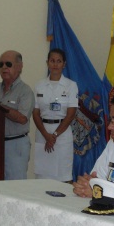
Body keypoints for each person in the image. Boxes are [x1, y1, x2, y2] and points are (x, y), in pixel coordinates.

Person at [0, 50, 34, 180]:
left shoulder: (25, 91)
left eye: (8, 64)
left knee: (14, 187)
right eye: (0, 64)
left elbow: (22, 118)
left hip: (16, 144)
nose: (4, 67)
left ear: (20, 66)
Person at [32, 49, 78, 182]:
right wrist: (46, 135)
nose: (55, 64)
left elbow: (71, 114)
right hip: (43, 132)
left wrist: (55, 135)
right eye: (52, 61)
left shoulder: (71, 85)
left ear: (64, 64)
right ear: (47, 63)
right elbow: (35, 113)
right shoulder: (39, 85)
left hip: (62, 134)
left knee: (63, 176)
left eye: (59, 61)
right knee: (42, 175)